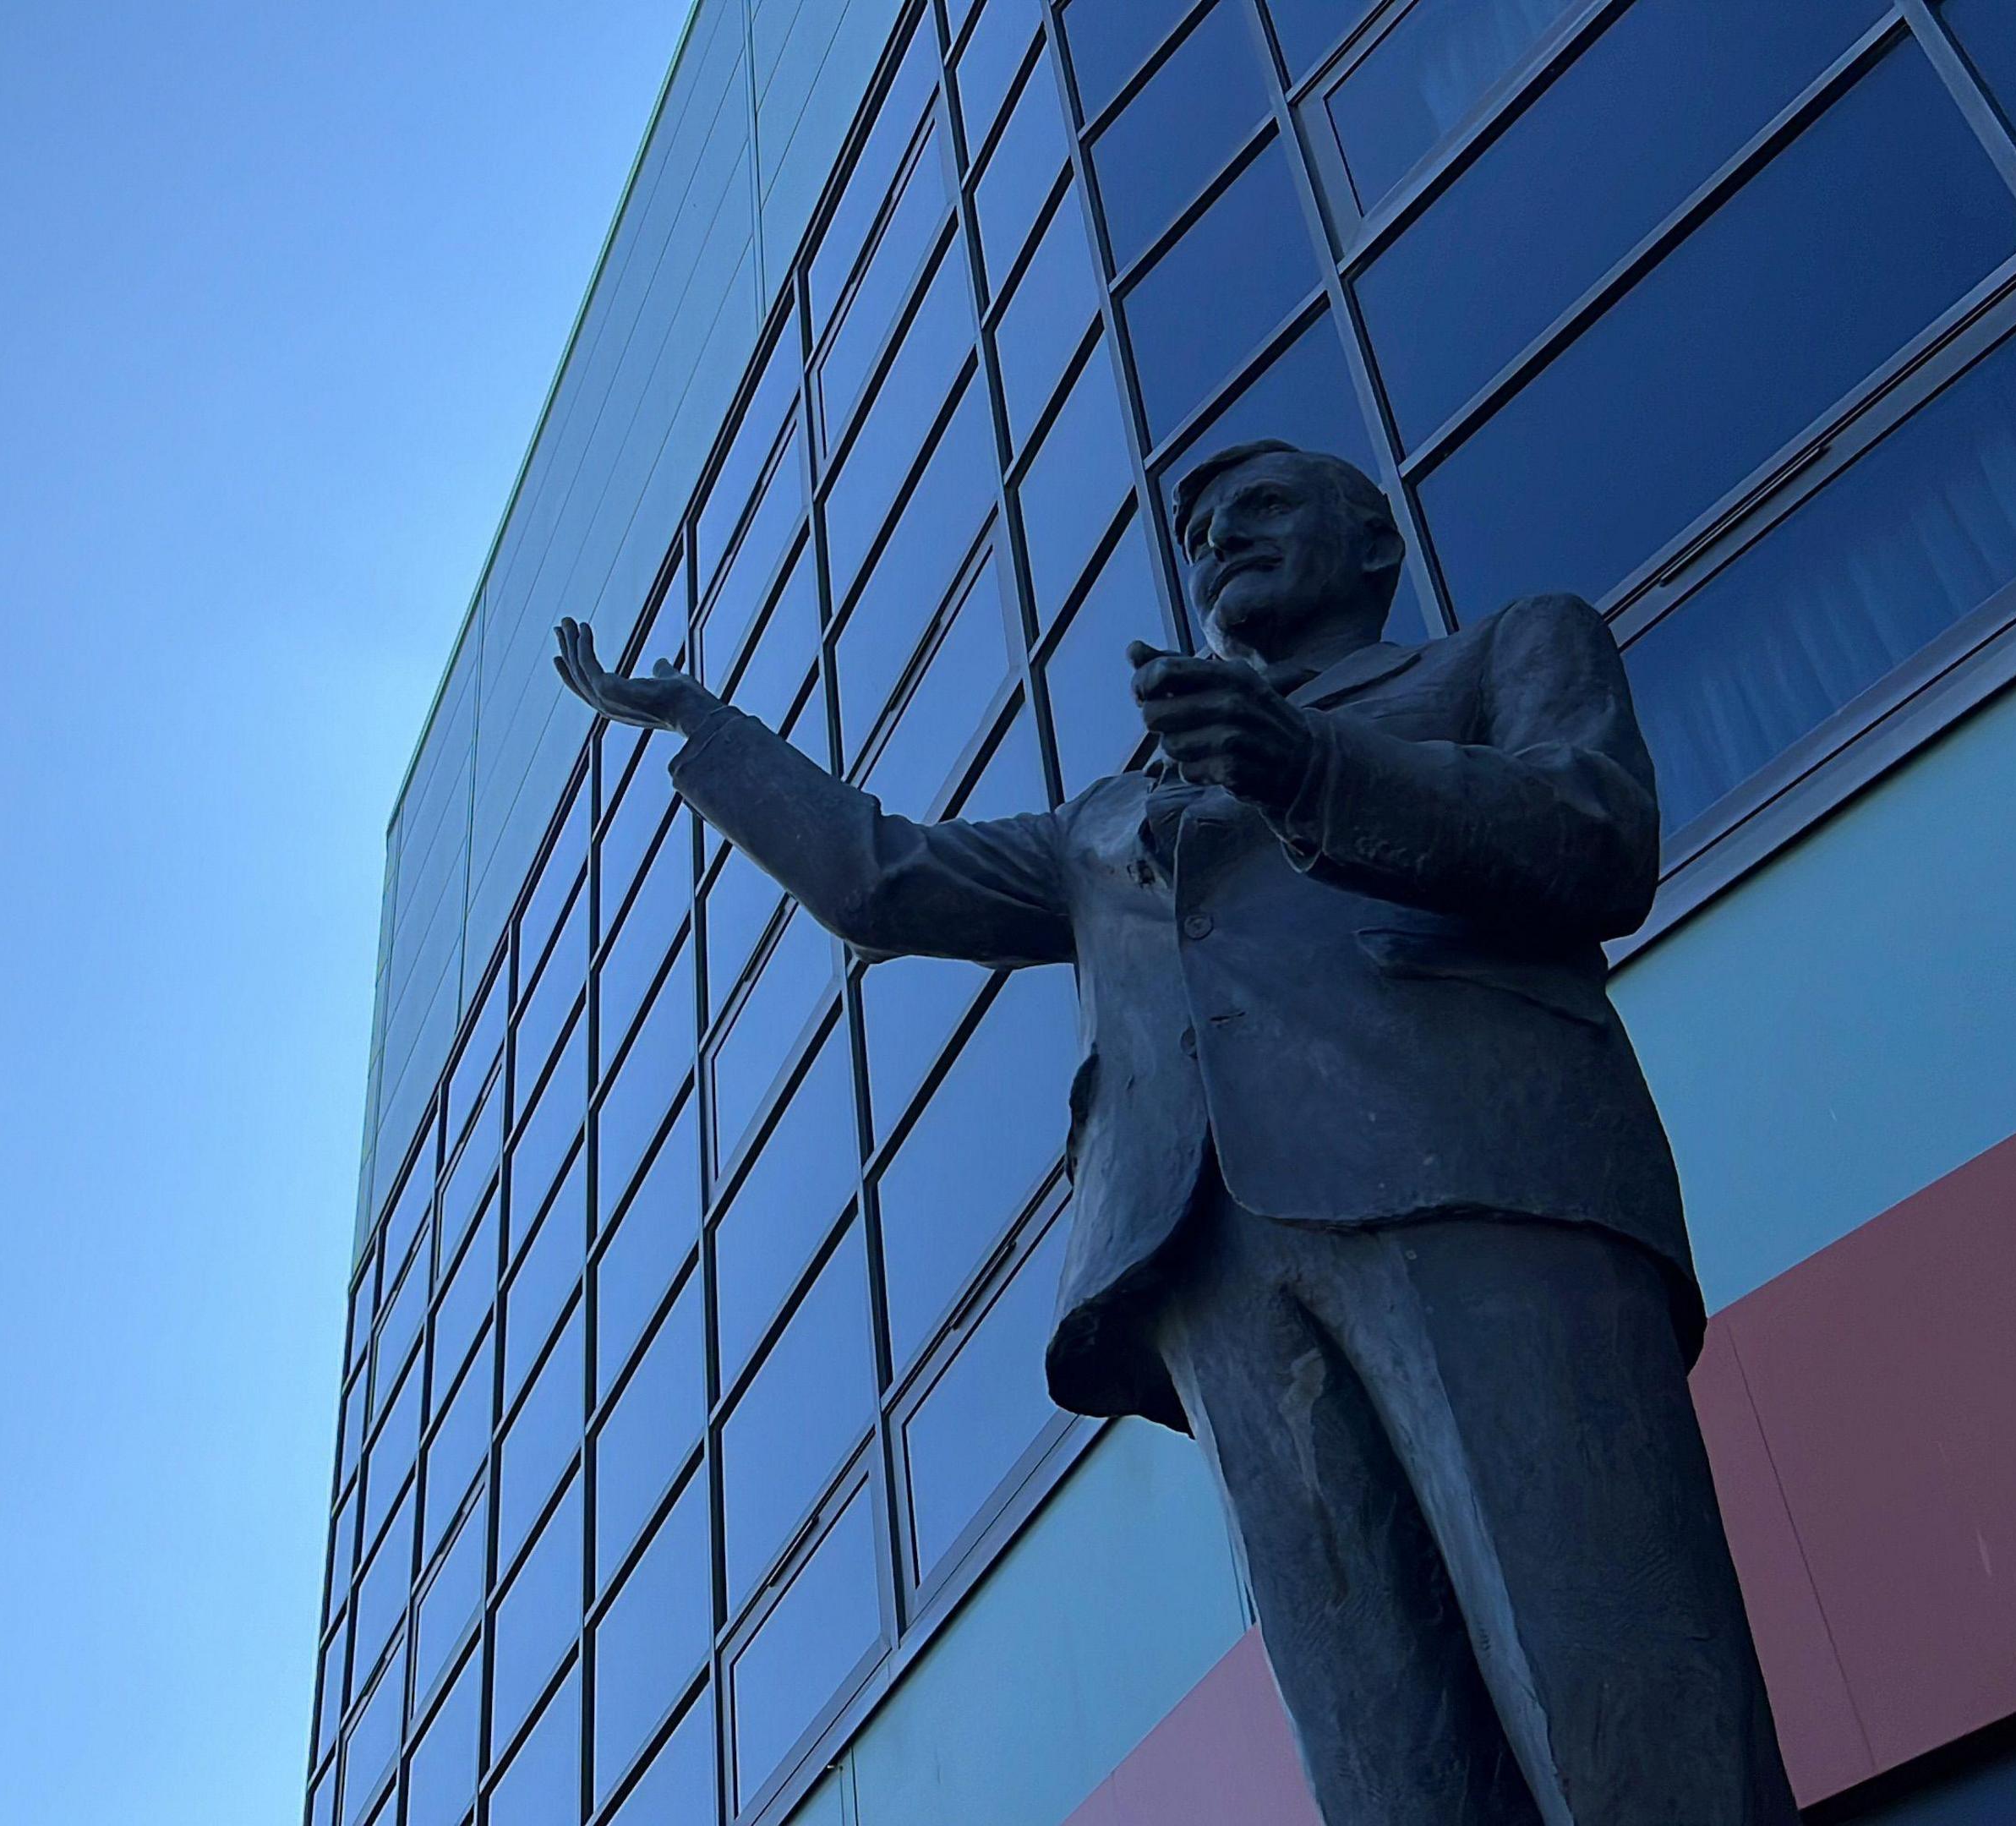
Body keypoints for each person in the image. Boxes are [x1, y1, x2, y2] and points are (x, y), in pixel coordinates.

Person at [552, 440, 1799, 1824]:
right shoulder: (1112, 816)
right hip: (1215, 1266)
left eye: (1262, 508)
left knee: (1621, 1696)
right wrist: (710, 735)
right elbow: (881, 880)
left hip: (1474, 1178)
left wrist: (1313, 767)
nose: (1220, 540)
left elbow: (1597, 835)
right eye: (1200, 529)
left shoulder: (1504, 651)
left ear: (1370, 545)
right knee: (1394, 1766)